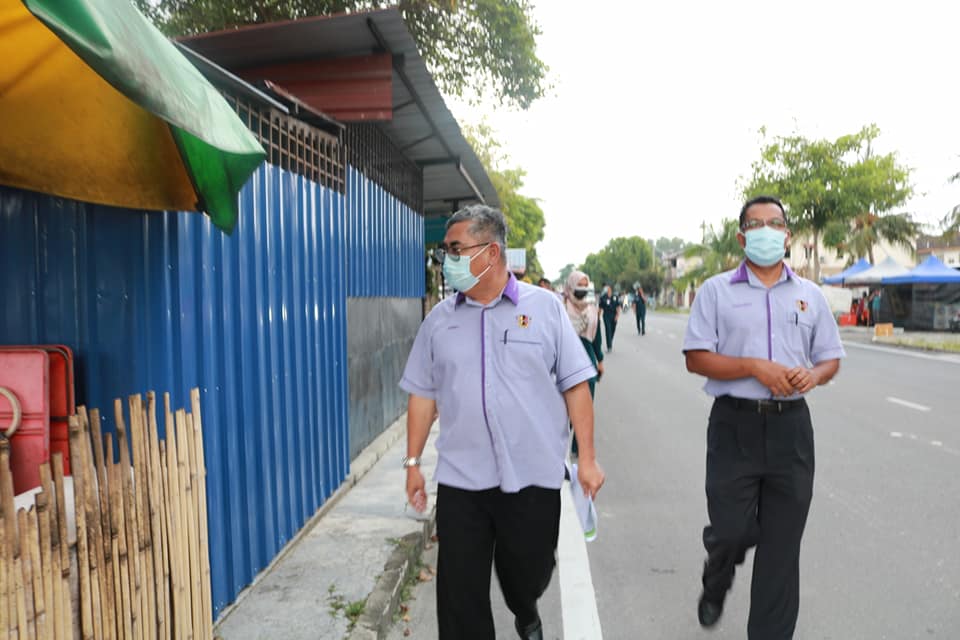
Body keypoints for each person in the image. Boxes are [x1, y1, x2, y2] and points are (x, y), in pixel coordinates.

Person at [399, 204, 605, 640]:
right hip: (462, 478)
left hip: (532, 474)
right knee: (460, 597)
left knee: (525, 576)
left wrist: (586, 458)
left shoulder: (546, 309)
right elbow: (423, 394)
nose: (446, 260)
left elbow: (575, 386)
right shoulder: (439, 321)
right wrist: (413, 463)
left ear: (491, 253)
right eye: (445, 251)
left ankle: (525, 611)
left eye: (455, 249)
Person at [681, 195, 845, 639]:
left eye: (776, 223)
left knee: (781, 552)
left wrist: (813, 376)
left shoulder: (810, 295)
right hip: (734, 426)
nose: (767, 231)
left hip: (791, 431)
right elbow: (696, 358)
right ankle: (716, 582)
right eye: (757, 224)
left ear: (788, 235)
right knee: (732, 531)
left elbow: (830, 358)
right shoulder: (715, 291)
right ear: (742, 236)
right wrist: (754, 366)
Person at [563, 270, 604, 457]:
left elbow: (596, 339)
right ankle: (558, 443)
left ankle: (577, 448)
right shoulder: (561, 308)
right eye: (579, 285)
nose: (582, 290)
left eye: (585, 286)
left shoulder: (592, 310)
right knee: (565, 409)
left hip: (588, 362)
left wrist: (600, 360)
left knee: (585, 407)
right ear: (570, 286)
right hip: (565, 361)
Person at [598, 284, 620, 351]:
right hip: (606, 316)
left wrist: (617, 315)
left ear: (610, 289)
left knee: (612, 330)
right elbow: (600, 308)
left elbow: (618, 306)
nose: (607, 289)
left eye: (608, 288)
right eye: (606, 288)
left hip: (614, 315)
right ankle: (609, 346)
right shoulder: (603, 297)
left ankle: (610, 341)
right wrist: (598, 317)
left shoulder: (615, 296)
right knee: (608, 330)